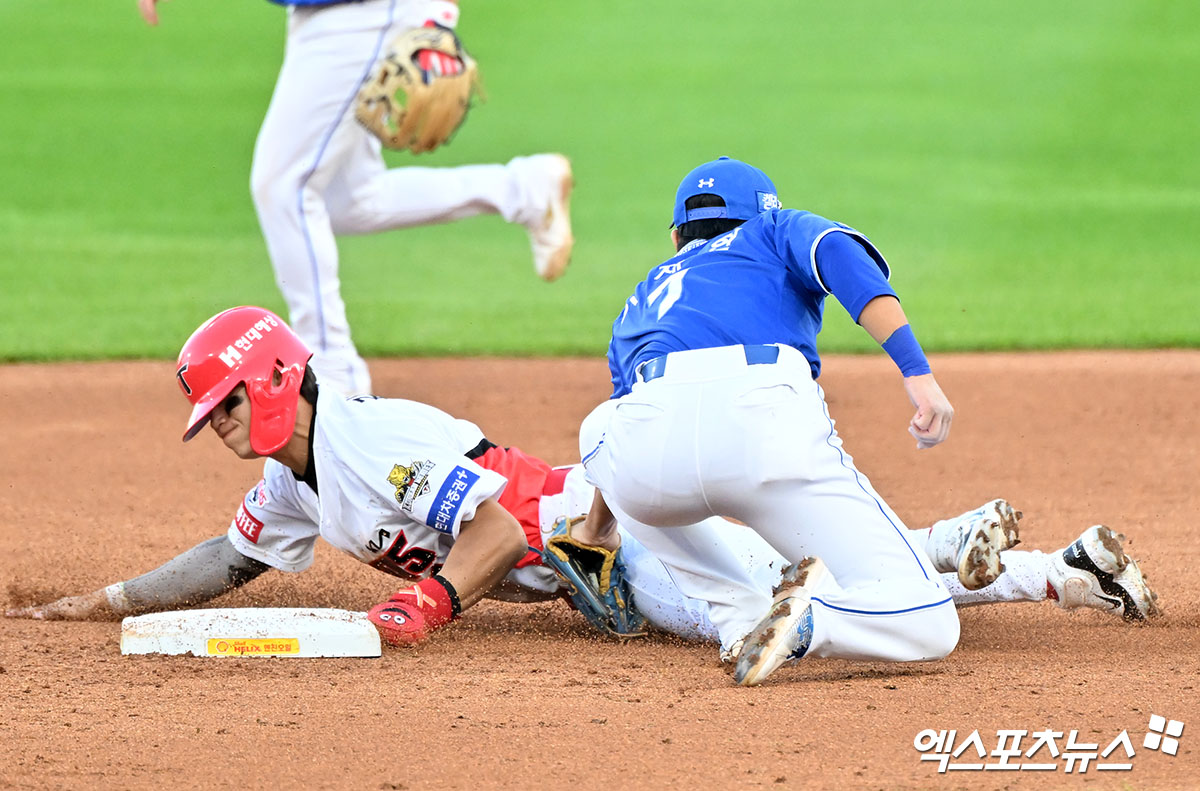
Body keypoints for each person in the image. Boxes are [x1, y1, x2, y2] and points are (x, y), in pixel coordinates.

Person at [4, 308, 1159, 655]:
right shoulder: (301, 481)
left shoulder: (369, 439)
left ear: (273, 383)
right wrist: (107, 600)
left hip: (623, 540)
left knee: (778, 603)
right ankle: (1054, 569)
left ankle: (1014, 571)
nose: (216, 433)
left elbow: (505, 523)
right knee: (831, 565)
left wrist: (431, 599)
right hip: (610, 546)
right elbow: (225, 556)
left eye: (220, 410)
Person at [575, 155, 964, 686]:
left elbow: (617, 434)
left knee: (601, 427)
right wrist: (916, 373)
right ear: (762, 211)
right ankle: (810, 626)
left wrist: (597, 531)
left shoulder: (642, 297)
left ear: (676, 237)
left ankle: (737, 618)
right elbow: (837, 253)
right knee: (927, 622)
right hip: (765, 432)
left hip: (650, 462)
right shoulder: (774, 229)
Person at [136, 0, 574, 396]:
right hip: (324, 17)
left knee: (285, 187)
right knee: (349, 199)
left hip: (358, 15)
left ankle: (334, 373)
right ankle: (526, 188)